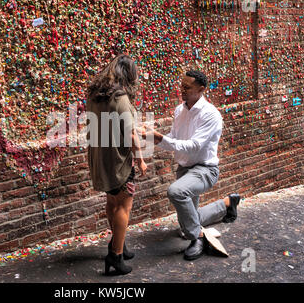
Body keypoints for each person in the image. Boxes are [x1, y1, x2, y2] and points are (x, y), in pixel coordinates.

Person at [140, 70, 240, 261]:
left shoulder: (211, 115)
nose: (182, 90)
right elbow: (174, 139)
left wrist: (160, 138)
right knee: (187, 224)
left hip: (205, 169)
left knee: (177, 193)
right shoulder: (179, 110)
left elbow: (194, 146)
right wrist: (153, 137)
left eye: (187, 87)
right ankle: (227, 204)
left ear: (201, 89)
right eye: (182, 85)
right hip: (184, 169)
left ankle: (199, 237)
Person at [86, 54, 147, 276]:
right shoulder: (120, 97)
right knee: (124, 205)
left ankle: (117, 243)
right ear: (128, 76)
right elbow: (131, 134)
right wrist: (140, 160)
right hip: (118, 161)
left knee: (112, 201)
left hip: (100, 158)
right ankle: (116, 256)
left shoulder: (94, 95)